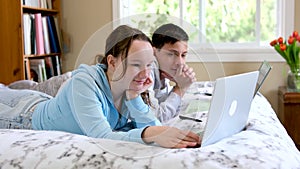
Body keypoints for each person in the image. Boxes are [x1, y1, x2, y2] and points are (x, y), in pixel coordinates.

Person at [0, 25, 200, 148]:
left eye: (148, 65)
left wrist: (134, 96)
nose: (146, 74)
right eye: (136, 64)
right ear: (112, 63)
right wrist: (149, 134)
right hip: (23, 116)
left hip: (42, 102)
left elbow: (155, 127)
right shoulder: (85, 82)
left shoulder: (128, 85)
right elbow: (103, 136)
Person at [149, 23, 196, 123]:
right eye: (171, 54)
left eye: (183, 55)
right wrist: (180, 88)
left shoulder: (164, 71)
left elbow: (168, 108)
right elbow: (156, 119)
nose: (180, 62)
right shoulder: (147, 70)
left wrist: (179, 86)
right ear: (154, 52)